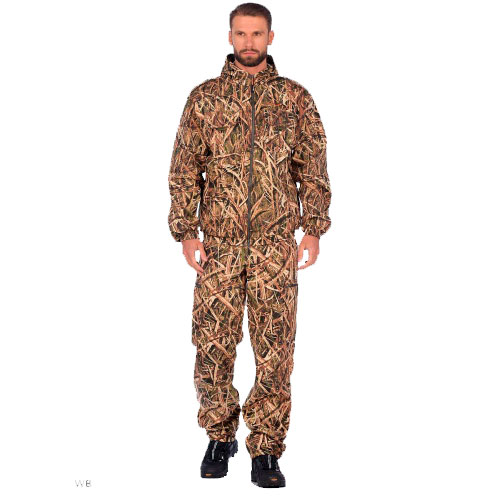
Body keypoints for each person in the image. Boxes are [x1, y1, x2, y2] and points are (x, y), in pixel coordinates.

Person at [168, 2, 331, 488]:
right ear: (230, 37)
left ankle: (267, 448)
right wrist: (187, 231)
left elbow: (312, 165)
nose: (248, 42)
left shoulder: (294, 98)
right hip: (218, 247)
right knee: (212, 345)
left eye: (257, 34)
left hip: (275, 247)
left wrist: (313, 227)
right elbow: (184, 168)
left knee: (275, 349)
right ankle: (219, 436)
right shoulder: (205, 99)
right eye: (241, 33)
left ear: (270, 38)